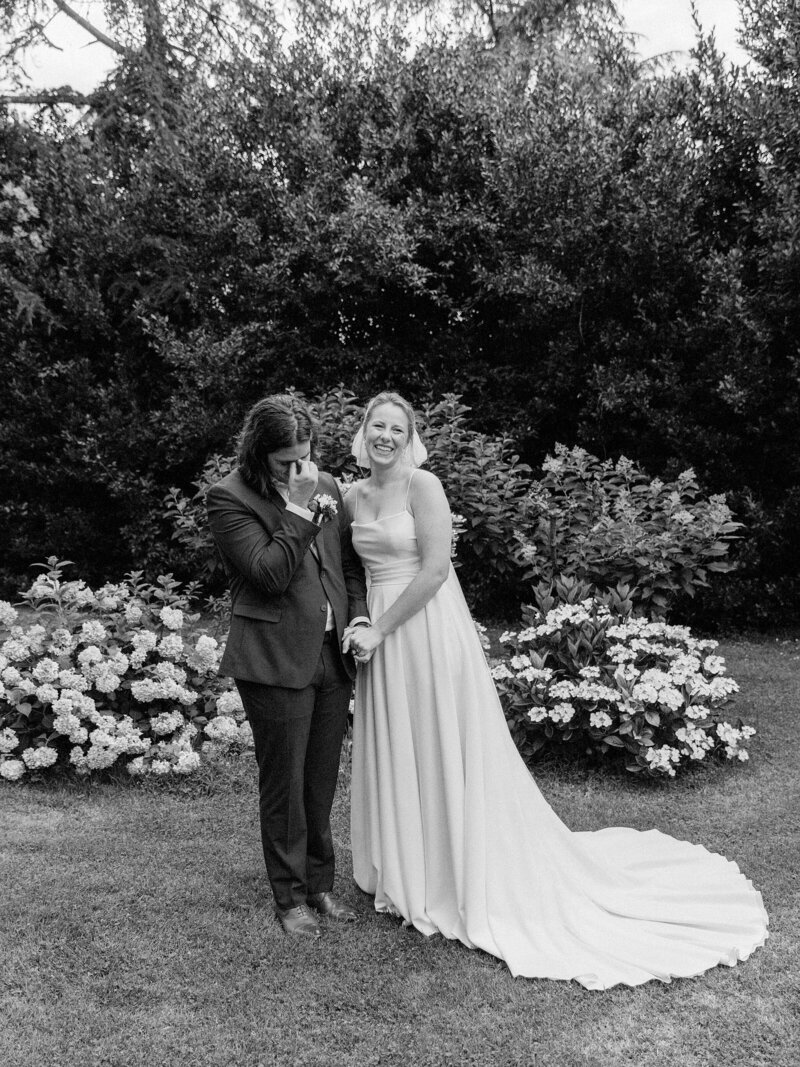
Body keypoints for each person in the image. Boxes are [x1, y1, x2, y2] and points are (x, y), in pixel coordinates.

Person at [342, 391, 769, 989]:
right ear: (362, 431)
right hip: (379, 637)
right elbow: (350, 572)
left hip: (423, 630)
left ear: (409, 437)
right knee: (399, 743)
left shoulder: (424, 486)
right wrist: (362, 623)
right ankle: (407, 863)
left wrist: (382, 627)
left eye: (396, 427)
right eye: (377, 425)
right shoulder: (352, 496)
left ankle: (451, 870)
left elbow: (436, 570)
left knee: (439, 741)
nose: (385, 435)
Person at [207, 394, 369, 939]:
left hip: (330, 653)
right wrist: (299, 508)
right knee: (285, 782)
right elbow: (269, 575)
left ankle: (320, 885)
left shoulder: (327, 486)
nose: (299, 469)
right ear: (259, 453)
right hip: (273, 657)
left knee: (320, 779)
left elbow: (348, 565)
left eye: (305, 456)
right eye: (286, 461)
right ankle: (290, 897)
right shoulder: (228, 498)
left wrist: (358, 616)